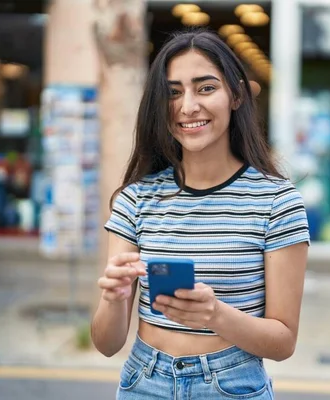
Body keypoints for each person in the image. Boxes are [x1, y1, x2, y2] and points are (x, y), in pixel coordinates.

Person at [91, 28, 310, 400]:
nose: (188, 106)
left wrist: (214, 315)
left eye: (205, 88)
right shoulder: (136, 198)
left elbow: (283, 341)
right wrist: (114, 298)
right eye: (173, 92)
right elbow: (107, 343)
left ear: (236, 94)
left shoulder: (278, 202)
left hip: (233, 385)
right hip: (143, 383)